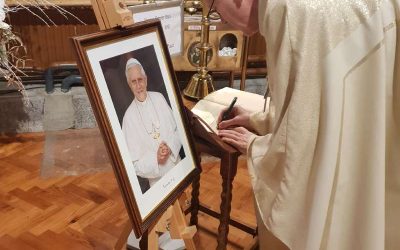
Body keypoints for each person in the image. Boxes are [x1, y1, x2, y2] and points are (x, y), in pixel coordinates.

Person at [209, 0, 400, 249]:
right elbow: (332, 103)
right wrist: (259, 119)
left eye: (215, 9)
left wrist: (255, 146)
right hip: (378, 161)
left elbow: (299, 150)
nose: (222, 20)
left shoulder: (285, 10)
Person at [122, 58, 183, 188]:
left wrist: (170, 147)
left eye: (140, 80)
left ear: (146, 79)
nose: (138, 86)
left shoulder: (159, 98)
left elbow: (180, 130)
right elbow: (134, 165)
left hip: (178, 168)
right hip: (157, 183)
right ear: (129, 85)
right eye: (134, 82)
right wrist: (156, 159)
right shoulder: (128, 118)